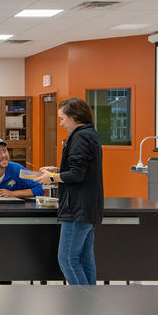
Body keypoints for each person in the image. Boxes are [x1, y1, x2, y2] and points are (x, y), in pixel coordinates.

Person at [34, 97, 104, 286]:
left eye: (62, 118)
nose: (61, 123)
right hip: (89, 209)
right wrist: (57, 170)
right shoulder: (90, 134)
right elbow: (81, 169)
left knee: (67, 259)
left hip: (77, 210)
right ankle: (92, 301)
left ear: (75, 117)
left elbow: (77, 174)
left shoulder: (80, 137)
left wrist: (50, 178)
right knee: (84, 258)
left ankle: (83, 301)